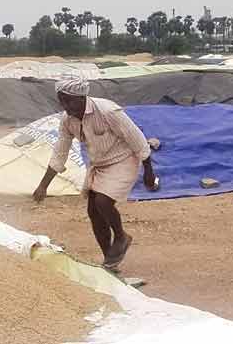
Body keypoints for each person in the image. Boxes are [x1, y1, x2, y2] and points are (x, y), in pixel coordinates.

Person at [33, 77, 158, 270]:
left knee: (103, 201)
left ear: (82, 97)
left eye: (69, 100)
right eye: (62, 101)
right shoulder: (67, 120)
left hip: (122, 160)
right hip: (98, 164)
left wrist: (148, 170)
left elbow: (136, 138)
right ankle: (110, 261)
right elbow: (60, 151)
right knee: (94, 212)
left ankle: (121, 237)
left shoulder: (107, 111)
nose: (65, 106)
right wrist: (43, 186)